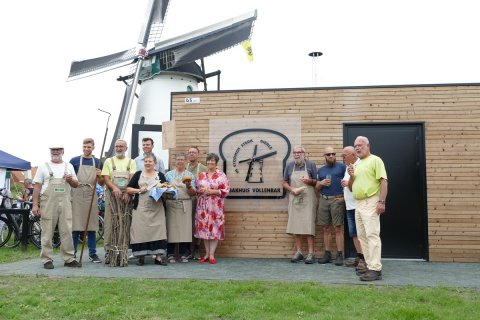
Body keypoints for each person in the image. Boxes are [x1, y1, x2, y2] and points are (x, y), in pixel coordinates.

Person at [32, 144, 81, 269]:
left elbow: (76, 185)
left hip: (65, 201)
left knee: (67, 230)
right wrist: (35, 205)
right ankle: (47, 259)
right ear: (50, 151)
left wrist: (70, 180)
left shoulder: (69, 166)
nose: (55, 152)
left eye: (58, 149)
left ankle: (69, 258)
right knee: (47, 230)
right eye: (53, 149)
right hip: (48, 202)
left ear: (63, 151)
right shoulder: (43, 166)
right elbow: (37, 187)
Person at [348, 136, 388, 281]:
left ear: (368, 145)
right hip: (358, 203)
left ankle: (376, 269)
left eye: (360, 145)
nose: (357, 148)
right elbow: (351, 188)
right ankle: (369, 266)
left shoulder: (375, 160)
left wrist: (381, 201)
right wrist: (351, 176)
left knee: (372, 235)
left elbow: (383, 181)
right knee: (362, 236)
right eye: (355, 146)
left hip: (371, 201)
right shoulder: (357, 164)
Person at [126, 153, 168, 266]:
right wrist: (139, 190)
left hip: (156, 208)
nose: (147, 163)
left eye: (150, 161)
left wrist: (165, 192)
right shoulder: (138, 174)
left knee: (158, 231)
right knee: (141, 231)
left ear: (155, 163)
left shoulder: (160, 176)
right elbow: (128, 189)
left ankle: (158, 257)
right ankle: (141, 257)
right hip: (141, 208)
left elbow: (166, 191)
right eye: (146, 161)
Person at [101, 139, 137, 266]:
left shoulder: (131, 162)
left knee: (124, 225)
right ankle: (108, 253)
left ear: (126, 148)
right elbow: (105, 178)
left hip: (125, 198)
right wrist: (114, 187)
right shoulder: (109, 161)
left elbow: (132, 178)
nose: (119, 148)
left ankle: (122, 252)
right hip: (112, 197)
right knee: (109, 225)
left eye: (121, 146)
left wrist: (128, 192)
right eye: (117, 146)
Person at [69, 138, 104, 263]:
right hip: (77, 194)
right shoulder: (74, 161)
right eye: (84, 147)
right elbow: (70, 179)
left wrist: (100, 175)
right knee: (76, 226)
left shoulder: (98, 162)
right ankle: (72, 253)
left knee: (92, 226)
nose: (86, 149)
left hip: (91, 195)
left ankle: (92, 254)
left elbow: (102, 183)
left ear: (93, 147)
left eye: (89, 147)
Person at [283, 146, 318, 264]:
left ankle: (311, 253)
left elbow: (317, 183)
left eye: (299, 152)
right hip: (295, 198)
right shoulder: (289, 166)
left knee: (309, 225)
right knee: (295, 225)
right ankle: (299, 252)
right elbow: (284, 183)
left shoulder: (311, 165)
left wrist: (310, 182)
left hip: (308, 199)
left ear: (304, 154)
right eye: (295, 153)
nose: (297, 154)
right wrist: (292, 189)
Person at [194, 153, 230, 264]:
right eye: (208, 160)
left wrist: (213, 191)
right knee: (204, 229)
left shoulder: (221, 175)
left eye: (212, 161)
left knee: (215, 228)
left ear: (216, 162)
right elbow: (196, 188)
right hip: (203, 206)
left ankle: (212, 255)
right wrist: (200, 191)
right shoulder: (201, 175)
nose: (210, 162)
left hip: (216, 206)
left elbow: (226, 190)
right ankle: (206, 254)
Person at [315, 147, 347, 266]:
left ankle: (339, 255)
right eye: (329, 154)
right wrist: (321, 183)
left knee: (338, 228)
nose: (331, 155)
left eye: (333, 153)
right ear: (325, 155)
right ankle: (327, 254)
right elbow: (317, 188)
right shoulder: (321, 170)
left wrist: (344, 198)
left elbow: (350, 183)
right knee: (325, 228)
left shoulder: (342, 167)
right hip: (323, 200)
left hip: (336, 200)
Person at [165, 152, 196, 263]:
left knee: (185, 229)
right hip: (172, 204)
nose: (180, 161)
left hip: (185, 204)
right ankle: (170, 253)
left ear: (186, 161)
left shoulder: (190, 176)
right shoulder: (168, 175)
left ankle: (184, 253)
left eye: (182, 159)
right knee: (171, 229)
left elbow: (193, 193)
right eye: (178, 159)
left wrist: (189, 186)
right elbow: (164, 191)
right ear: (175, 161)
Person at [341, 146, 365, 269]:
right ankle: (360, 256)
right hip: (349, 206)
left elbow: (361, 184)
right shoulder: (347, 167)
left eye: (344, 156)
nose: (342, 158)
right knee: (354, 233)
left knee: (361, 234)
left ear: (353, 155)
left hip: (358, 206)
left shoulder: (360, 166)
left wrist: (347, 183)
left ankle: (365, 260)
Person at [186, 146, 207, 260]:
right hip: (186, 199)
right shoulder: (185, 167)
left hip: (199, 199)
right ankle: (188, 249)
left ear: (198, 154)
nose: (191, 154)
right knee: (188, 223)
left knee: (198, 223)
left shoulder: (203, 168)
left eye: (194, 152)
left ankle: (197, 248)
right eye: (189, 152)